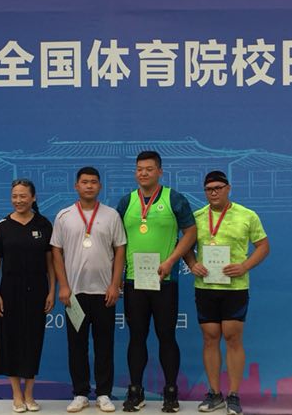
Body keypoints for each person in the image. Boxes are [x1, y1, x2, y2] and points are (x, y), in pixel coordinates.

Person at [115, 151, 196, 413]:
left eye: (149, 169)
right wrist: (116, 276)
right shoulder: (127, 201)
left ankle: (170, 392)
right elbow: (117, 241)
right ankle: (135, 391)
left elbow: (191, 233)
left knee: (166, 337)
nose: (143, 173)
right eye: (139, 169)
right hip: (134, 281)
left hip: (165, 279)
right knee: (136, 337)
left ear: (160, 171)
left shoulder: (174, 198)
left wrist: (171, 260)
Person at [184, 171, 269, 415]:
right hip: (205, 287)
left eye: (218, 188)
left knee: (232, 338)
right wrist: (192, 264)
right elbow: (185, 247)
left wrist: (244, 266)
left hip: (235, 287)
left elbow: (263, 246)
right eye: (209, 189)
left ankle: (233, 395)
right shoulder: (197, 217)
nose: (213, 192)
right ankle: (214, 393)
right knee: (210, 338)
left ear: (228, 188)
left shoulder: (247, 215)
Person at [51, 167, 127, 413]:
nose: (89, 186)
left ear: (100, 186)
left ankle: (104, 393)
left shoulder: (111, 215)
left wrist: (115, 284)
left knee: (104, 346)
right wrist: (63, 286)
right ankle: (80, 393)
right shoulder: (64, 216)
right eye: (84, 182)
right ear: (76, 186)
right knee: (77, 346)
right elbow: (56, 251)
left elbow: (120, 250)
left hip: (104, 293)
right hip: (74, 294)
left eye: (94, 182)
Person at [0, 179, 55, 413]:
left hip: (37, 291)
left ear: (33, 197)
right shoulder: (3, 226)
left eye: (23, 196)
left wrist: (52, 291)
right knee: (11, 341)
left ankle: (29, 394)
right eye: (14, 196)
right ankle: (16, 394)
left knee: (33, 341)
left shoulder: (44, 225)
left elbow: (51, 263)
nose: (18, 200)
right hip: (10, 292)